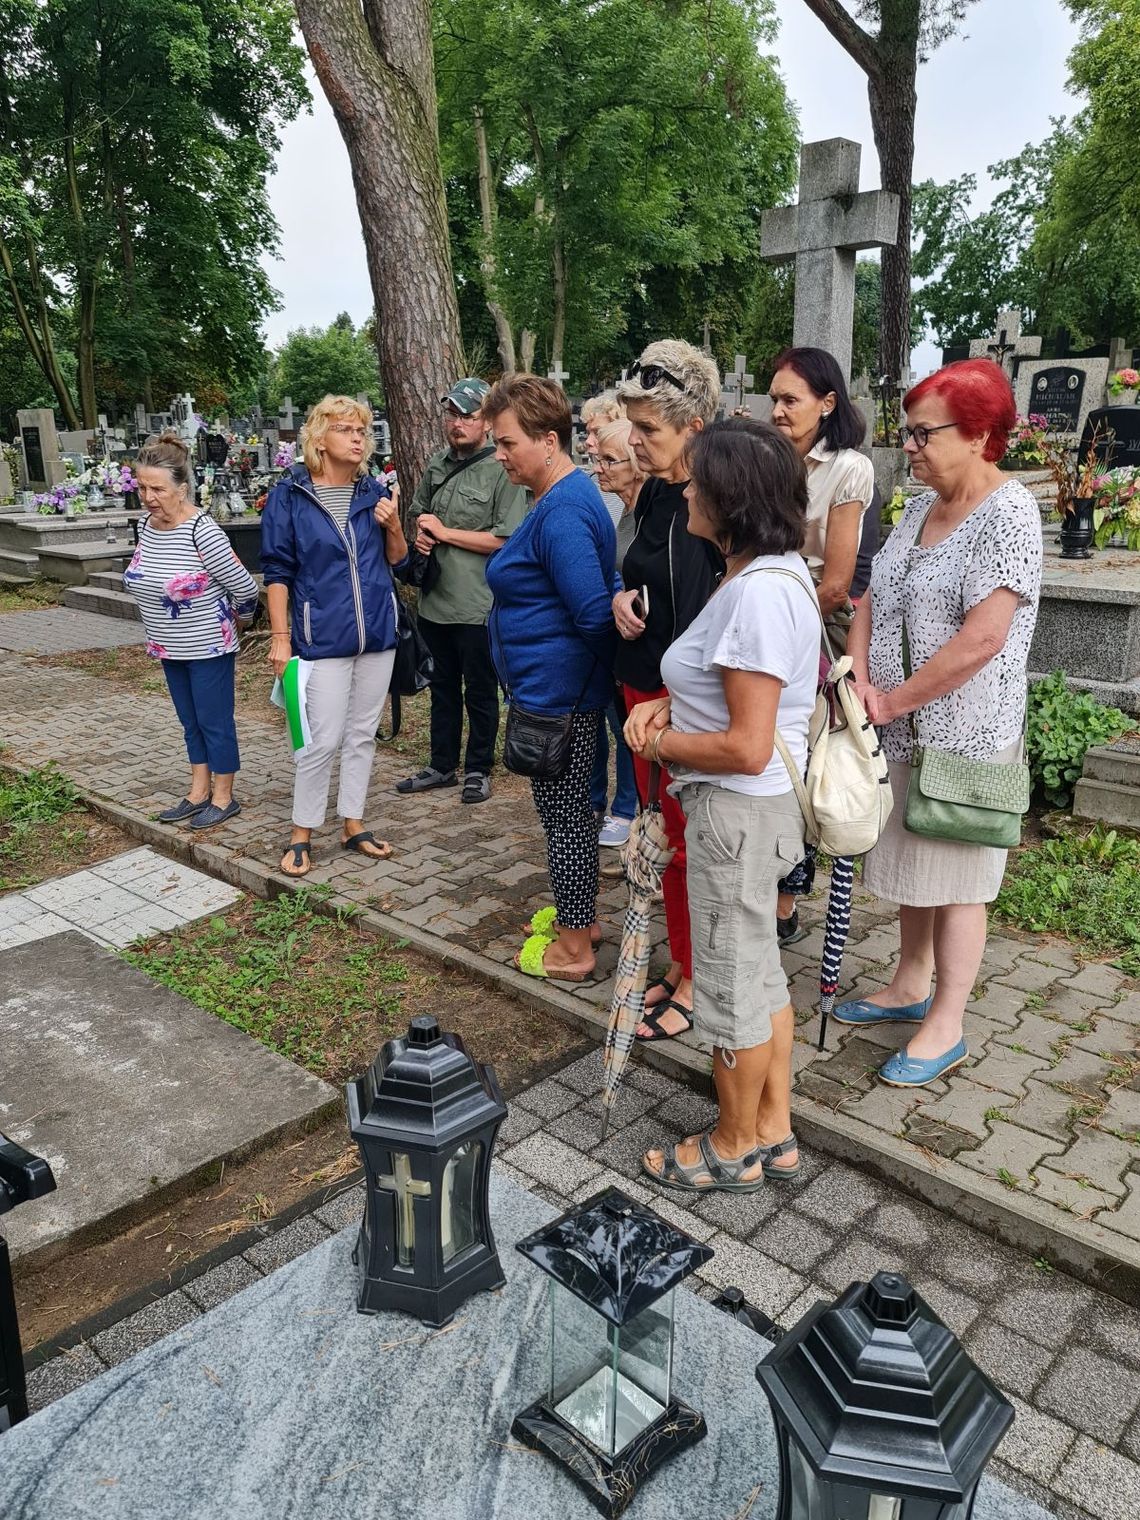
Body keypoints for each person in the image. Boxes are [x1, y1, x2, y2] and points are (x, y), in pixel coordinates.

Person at [625, 419, 819, 1191]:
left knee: (732, 983)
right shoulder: (764, 576)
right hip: (753, 814)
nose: (686, 492)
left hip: (735, 812)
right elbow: (730, 689)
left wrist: (660, 745)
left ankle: (733, 1146)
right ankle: (774, 1128)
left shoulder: (757, 597)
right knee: (761, 974)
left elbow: (745, 742)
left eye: (698, 481)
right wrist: (674, 706)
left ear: (731, 499)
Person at [839, 358, 1043, 1088]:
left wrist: (891, 701)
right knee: (914, 861)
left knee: (959, 878)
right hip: (902, 726)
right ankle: (908, 983)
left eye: (924, 434)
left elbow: (983, 639)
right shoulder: (921, 507)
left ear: (981, 433)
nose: (911, 446)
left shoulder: (1010, 514)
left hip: (965, 737)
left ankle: (947, 1020)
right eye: (909, 432)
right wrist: (861, 677)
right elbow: (872, 595)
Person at [484, 375, 617, 981]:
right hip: (561, 693)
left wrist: (581, 685)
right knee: (571, 815)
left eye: (508, 442)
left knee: (565, 819)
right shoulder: (562, 498)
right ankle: (579, 918)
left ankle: (573, 950)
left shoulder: (562, 511)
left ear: (548, 439)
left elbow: (592, 612)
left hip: (558, 698)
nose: (500, 454)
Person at [612, 338, 723, 1039]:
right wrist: (623, 598)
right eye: (634, 424)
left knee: (691, 841)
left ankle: (700, 978)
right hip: (640, 686)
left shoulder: (719, 502)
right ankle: (682, 965)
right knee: (662, 838)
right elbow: (642, 571)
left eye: (649, 428)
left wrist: (676, 697)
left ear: (695, 429)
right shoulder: (653, 494)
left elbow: (722, 611)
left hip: (690, 703)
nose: (634, 440)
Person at [261, 395, 409, 878]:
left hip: (376, 637)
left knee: (362, 734)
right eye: (346, 429)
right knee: (320, 739)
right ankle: (302, 832)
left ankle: (353, 823)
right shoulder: (290, 495)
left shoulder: (373, 493)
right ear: (319, 439)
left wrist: (395, 527)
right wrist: (280, 636)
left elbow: (399, 562)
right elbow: (278, 570)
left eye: (361, 430)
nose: (358, 437)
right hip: (320, 636)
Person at [767, 346, 875, 945]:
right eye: (774, 397)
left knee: (803, 761)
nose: (778, 410)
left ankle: (786, 902)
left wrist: (773, 608)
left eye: (791, 400)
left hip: (812, 625)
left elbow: (835, 582)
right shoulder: (768, 458)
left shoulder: (847, 468)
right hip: (766, 618)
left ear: (827, 403)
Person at [395, 378, 528, 804]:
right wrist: (421, 535)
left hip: (478, 604)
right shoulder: (437, 464)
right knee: (443, 687)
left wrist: (445, 532)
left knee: (481, 691)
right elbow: (419, 514)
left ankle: (478, 768)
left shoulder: (502, 471)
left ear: (486, 422)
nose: (456, 423)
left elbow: (503, 540)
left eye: (466, 415)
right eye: (450, 414)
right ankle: (441, 764)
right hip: (435, 602)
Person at [124, 433, 259, 830]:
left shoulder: (203, 531)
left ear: (182, 489)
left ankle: (224, 795)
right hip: (168, 645)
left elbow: (246, 588)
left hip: (207, 647)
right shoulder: (146, 526)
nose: (148, 497)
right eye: (143, 487)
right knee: (190, 721)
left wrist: (241, 620)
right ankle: (198, 791)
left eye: (158, 489)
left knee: (215, 721)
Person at [590, 419, 646, 847]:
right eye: (597, 459)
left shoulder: (648, 511)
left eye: (610, 460)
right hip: (620, 640)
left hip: (645, 645)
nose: (599, 469)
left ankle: (632, 811)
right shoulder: (625, 511)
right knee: (620, 727)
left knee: (634, 736)